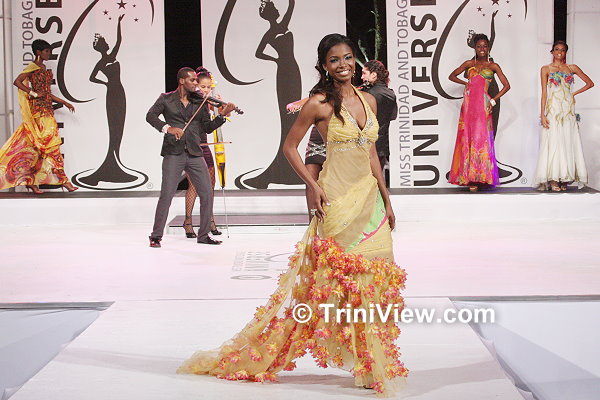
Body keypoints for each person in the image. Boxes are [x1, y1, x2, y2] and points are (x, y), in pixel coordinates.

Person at [177, 34, 407, 397]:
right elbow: (289, 147)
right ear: (324, 66)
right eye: (335, 60)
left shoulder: (369, 100)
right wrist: (313, 186)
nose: (343, 64)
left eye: (348, 57)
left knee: (374, 284)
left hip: (371, 202)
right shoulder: (319, 103)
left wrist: (387, 198)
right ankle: (345, 359)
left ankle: (370, 363)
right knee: (338, 285)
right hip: (337, 201)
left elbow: (372, 154)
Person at [146, 67, 235, 248]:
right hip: (174, 152)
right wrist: (168, 128)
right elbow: (150, 116)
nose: (196, 83)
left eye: (196, 80)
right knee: (167, 195)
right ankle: (155, 236)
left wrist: (222, 116)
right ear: (181, 81)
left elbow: (207, 128)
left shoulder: (199, 102)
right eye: (192, 80)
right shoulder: (166, 99)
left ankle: (203, 235)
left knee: (207, 193)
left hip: (195, 153)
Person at [0, 39, 77, 194]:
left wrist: (64, 102)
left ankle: (31, 182)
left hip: (46, 110)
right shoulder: (33, 67)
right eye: (47, 51)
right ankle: (64, 181)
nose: (49, 54)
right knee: (52, 146)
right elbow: (17, 82)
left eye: (49, 51)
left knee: (35, 149)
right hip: (39, 112)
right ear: (38, 52)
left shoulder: (43, 67)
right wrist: (33, 93)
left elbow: (47, 93)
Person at [448, 33, 510, 192]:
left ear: (489, 48)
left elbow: (506, 85)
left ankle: (483, 176)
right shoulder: (469, 64)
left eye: (485, 46)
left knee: (482, 140)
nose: (482, 49)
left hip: (483, 105)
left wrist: (493, 100)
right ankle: (470, 178)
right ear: (475, 48)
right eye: (479, 46)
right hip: (469, 106)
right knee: (468, 139)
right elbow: (451, 76)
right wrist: (465, 83)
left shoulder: (493, 66)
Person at [533, 40, 594, 191]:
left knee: (567, 140)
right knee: (554, 140)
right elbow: (544, 93)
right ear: (552, 52)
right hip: (553, 109)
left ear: (566, 52)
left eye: (562, 50)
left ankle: (565, 177)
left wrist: (573, 94)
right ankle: (554, 179)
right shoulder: (546, 69)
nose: (559, 52)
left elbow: (589, 83)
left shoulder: (572, 68)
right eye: (557, 49)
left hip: (567, 110)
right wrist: (542, 114)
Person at [181, 67, 222, 238]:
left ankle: (209, 219)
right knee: (194, 185)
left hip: (204, 145)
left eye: (208, 87)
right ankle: (188, 221)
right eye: (202, 87)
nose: (206, 90)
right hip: (192, 146)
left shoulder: (206, 103)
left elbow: (208, 127)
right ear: (196, 85)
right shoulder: (190, 101)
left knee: (210, 185)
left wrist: (220, 113)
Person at [361, 60, 398, 187]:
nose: (362, 77)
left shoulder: (365, 94)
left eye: (364, 73)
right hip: (382, 146)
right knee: (376, 183)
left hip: (365, 145)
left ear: (374, 75)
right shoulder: (391, 94)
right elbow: (393, 116)